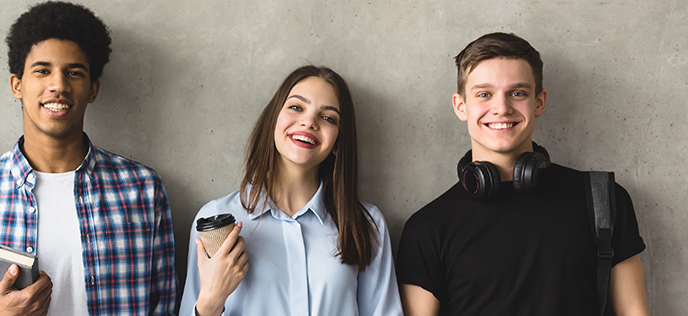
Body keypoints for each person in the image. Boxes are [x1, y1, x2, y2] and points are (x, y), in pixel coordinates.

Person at [0, 2, 177, 315]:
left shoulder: (142, 190)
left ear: (92, 89)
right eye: (42, 71)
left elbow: (166, 306)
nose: (58, 86)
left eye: (74, 73)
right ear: (17, 85)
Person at [397, 32, 649, 316]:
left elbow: (634, 311)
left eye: (517, 93)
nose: (502, 108)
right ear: (460, 106)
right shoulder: (427, 229)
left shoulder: (603, 199)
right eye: (484, 94)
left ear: (539, 102)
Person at [180, 66, 402, 316]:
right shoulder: (216, 217)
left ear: (339, 141)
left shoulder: (367, 225)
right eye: (296, 107)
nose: (309, 122)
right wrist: (210, 302)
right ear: (273, 118)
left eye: (328, 117)